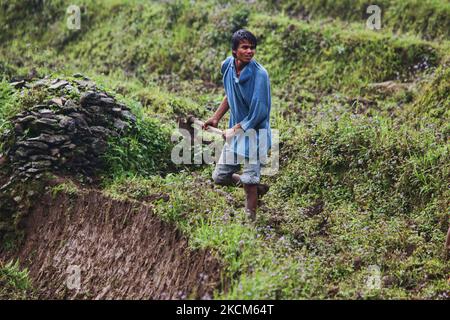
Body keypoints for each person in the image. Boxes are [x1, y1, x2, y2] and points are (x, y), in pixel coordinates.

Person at [203, 29, 271, 221]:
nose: (249, 51)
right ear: (234, 51)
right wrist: (216, 117)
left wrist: (235, 129)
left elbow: (259, 112)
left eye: (252, 48)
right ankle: (257, 189)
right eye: (245, 47)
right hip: (236, 133)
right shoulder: (227, 66)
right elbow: (230, 93)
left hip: (255, 134)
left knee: (249, 182)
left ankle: (250, 224)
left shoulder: (260, 75)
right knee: (220, 177)